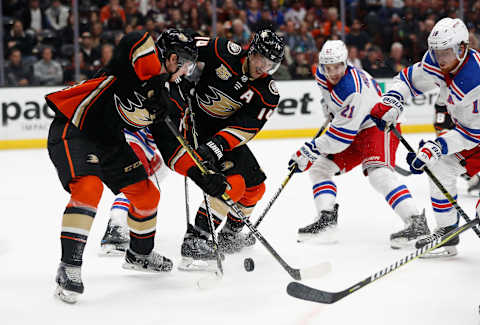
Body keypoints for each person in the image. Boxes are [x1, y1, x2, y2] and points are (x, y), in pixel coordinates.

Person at [45, 28, 225, 303]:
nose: (186, 72)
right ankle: (68, 268)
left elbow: (172, 148)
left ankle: (139, 255)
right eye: (185, 64)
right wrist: (154, 81)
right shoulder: (139, 62)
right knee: (89, 189)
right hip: (75, 127)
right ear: (172, 57)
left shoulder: (167, 98)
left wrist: (202, 174)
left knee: (147, 194)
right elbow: (135, 40)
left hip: (109, 140)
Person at [163, 29, 285, 271]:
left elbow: (248, 127)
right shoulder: (223, 50)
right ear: (252, 51)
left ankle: (230, 234)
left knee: (256, 186)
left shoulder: (268, 93)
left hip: (223, 136)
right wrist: (178, 77)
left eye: (271, 63)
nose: (264, 67)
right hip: (194, 125)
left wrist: (219, 144)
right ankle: (195, 240)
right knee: (233, 185)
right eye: (262, 59)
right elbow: (185, 46)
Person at [288, 40, 429, 248]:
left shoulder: (352, 89)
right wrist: (329, 107)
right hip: (354, 125)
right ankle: (326, 220)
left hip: (376, 125)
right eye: (328, 67)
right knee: (320, 168)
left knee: (378, 174)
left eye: (337, 66)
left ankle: (416, 222)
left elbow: (338, 140)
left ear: (345, 63)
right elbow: (329, 99)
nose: (333, 72)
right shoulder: (321, 75)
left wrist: (310, 150)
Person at [370, 18, 480, 257]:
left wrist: (438, 145)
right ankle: (447, 233)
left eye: (446, 52)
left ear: (462, 48)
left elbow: (472, 134)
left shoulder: (474, 82)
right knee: (440, 166)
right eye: (436, 52)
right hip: (470, 133)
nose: (440, 58)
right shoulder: (439, 62)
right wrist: (393, 101)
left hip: (474, 133)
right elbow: (408, 80)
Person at [100, 127, 169, 255]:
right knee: (134, 187)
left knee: (159, 168)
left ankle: (128, 224)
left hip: (118, 142)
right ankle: (116, 229)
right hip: (131, 146)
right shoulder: (158, 108)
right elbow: (155, 138)